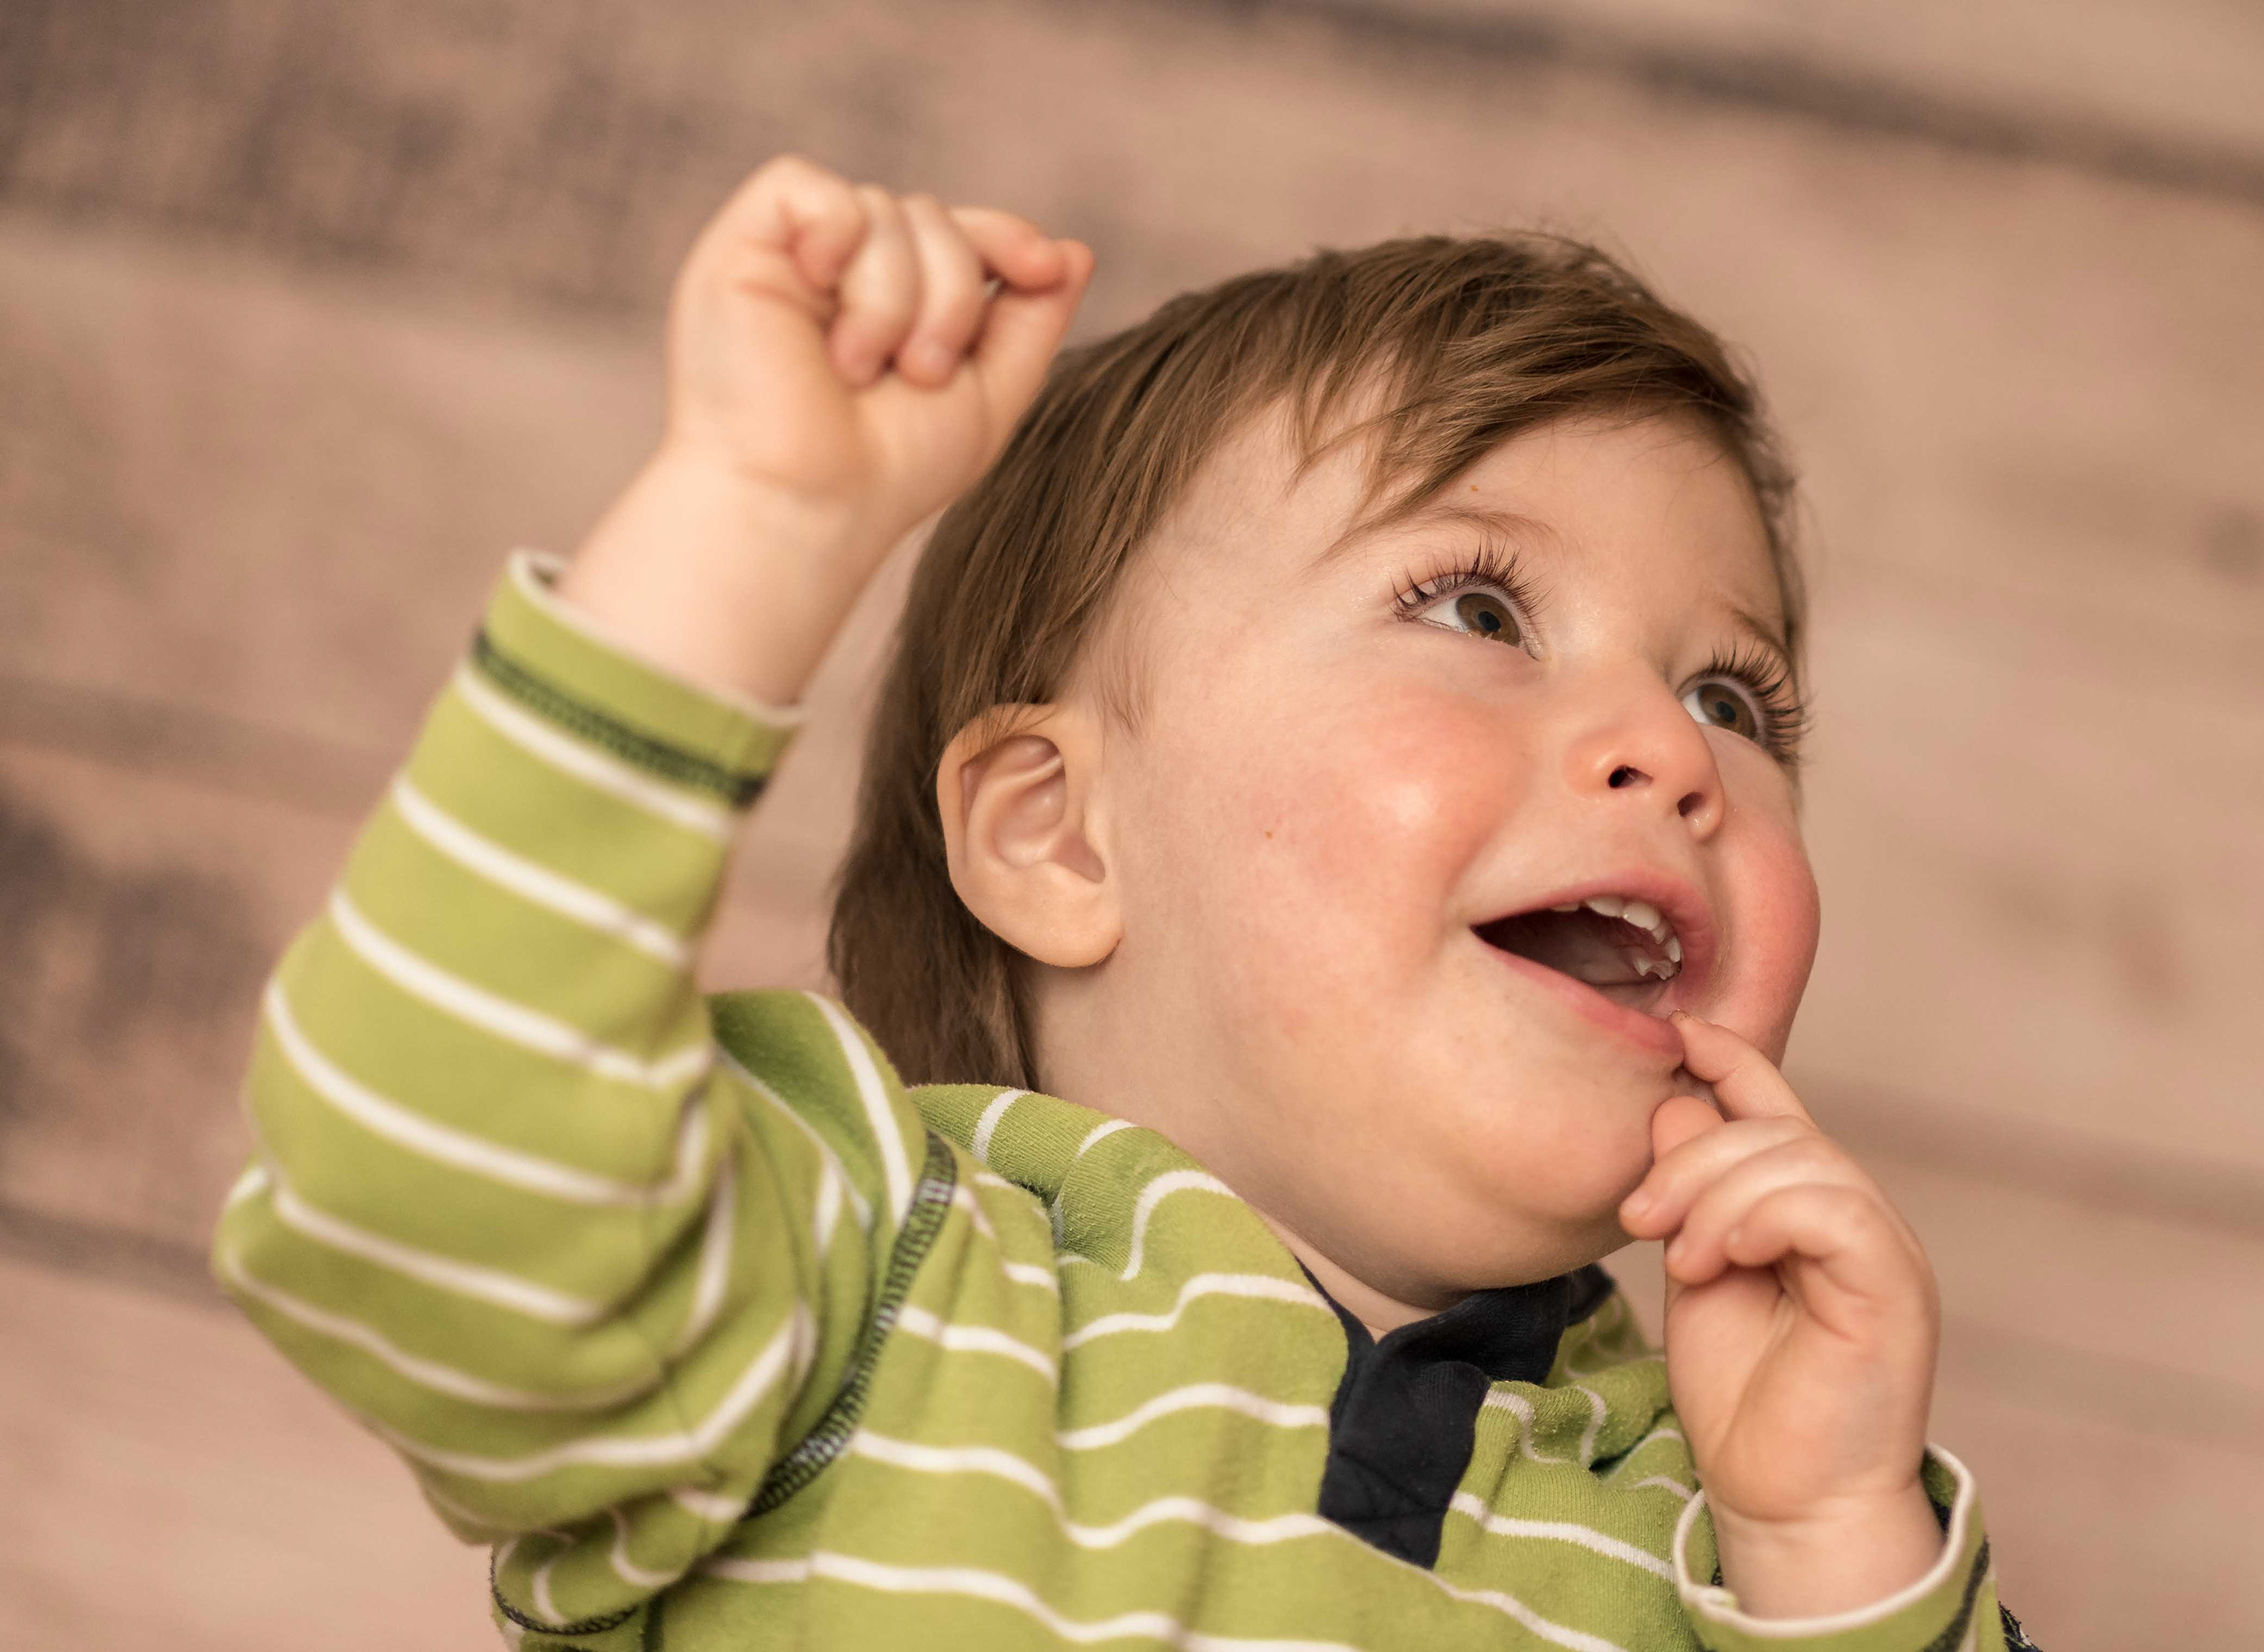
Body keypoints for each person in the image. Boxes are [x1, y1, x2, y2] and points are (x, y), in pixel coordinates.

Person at [214, 156, 2025, 1649]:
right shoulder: (857, 1298)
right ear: (1060, 840)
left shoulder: (1735, 1531)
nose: (1672, 749)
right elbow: (423, 1169)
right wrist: (753, 521)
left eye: (1736, 699)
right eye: (1478, 608)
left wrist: (1834, 1545)